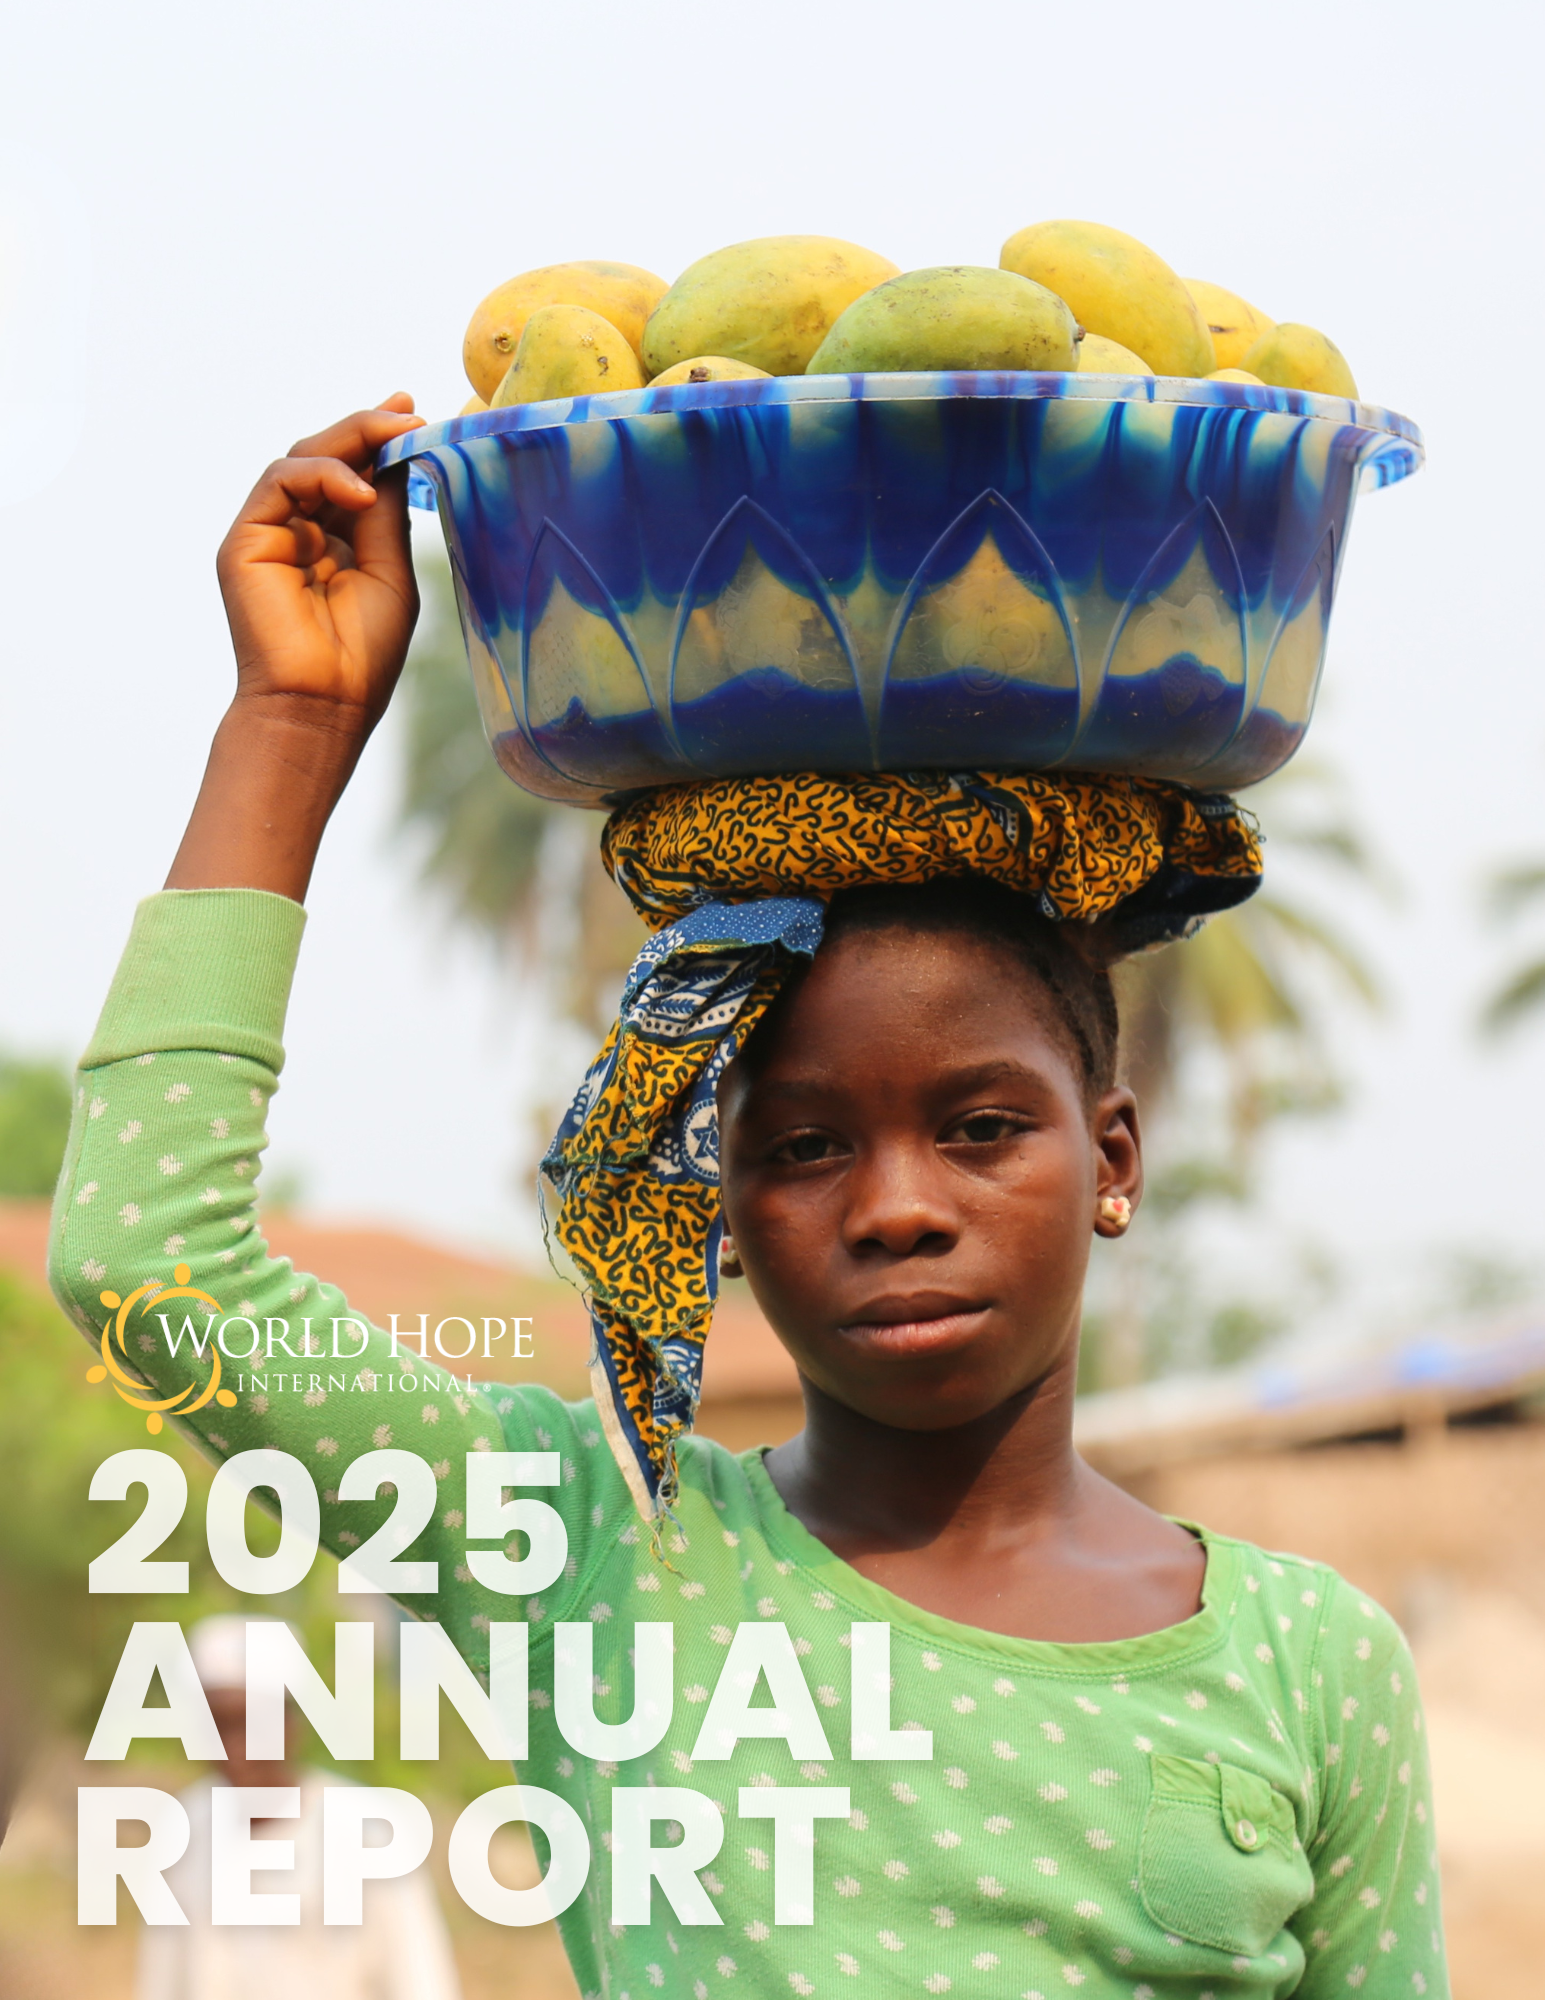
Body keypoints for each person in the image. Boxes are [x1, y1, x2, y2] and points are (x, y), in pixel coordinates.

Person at [52, 398, 1449, 1998]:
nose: (897, 1207)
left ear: (1112, 1159)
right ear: (714, 1202)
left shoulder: (1307, 1661)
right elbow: (148, 1266)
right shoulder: (589, 1553)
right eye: (800, 1148)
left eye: (982, 1127)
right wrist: (291, 724)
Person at [136, 1615, 462, 2000]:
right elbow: (163, 1982)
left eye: (253, 1724)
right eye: (220, 1726)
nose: (236, 1751)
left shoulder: (370, 1834)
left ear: (293, 1724)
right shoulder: (183, 1832)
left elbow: (421, 1985)